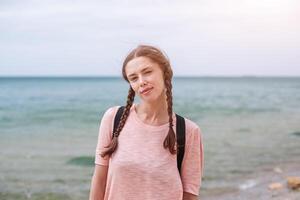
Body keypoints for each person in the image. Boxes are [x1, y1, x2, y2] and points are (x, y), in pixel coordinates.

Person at [89, 44, 204, 200]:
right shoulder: (114, 118)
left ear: (165, 73)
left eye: (147, 72)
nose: (141, 81)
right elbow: (99, 182)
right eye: (134, 78)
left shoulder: (188, 131)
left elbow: (189, 195)